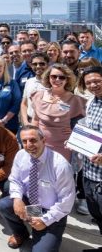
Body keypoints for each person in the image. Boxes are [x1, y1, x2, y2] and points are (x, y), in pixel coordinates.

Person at [0, 125, 75, 251]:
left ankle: (45, 233)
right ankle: (21, 233)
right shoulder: (21, 155)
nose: (29, 145)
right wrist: (17, 199)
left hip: (50, 212)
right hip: (32, 207)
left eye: (33, 140)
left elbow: (66, 201)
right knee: (4, 205)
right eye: (24, 141)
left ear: (43, 140)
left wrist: (44, 221)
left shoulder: (60, 165)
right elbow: (15, 179)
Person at [31, 63, 86, 162]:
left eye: (62, 77)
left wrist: (74, 132)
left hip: (63, 146)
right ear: (48, 77)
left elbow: (84, 124)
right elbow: (35, 120)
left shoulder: (75, 100)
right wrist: (32, 139)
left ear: (67, 80)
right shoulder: (39, 96)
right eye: (54, 76)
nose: (57, 80)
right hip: (41, 144)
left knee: (61, 170)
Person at [79, 66, 102, 246]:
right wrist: (75, 141)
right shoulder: (91, 102)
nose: (93, 85)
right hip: (89, 172)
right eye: (89, 83)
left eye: (97, 81)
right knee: (96, 214)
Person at [20, 52, 48, 126]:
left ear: (47, 65)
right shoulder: (29, 82)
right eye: (35, 64)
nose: (38, 66)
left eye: (42, 64)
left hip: (46, 124)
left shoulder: (53, 83)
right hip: (30, 121)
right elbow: (24, 103)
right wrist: (25, 122)